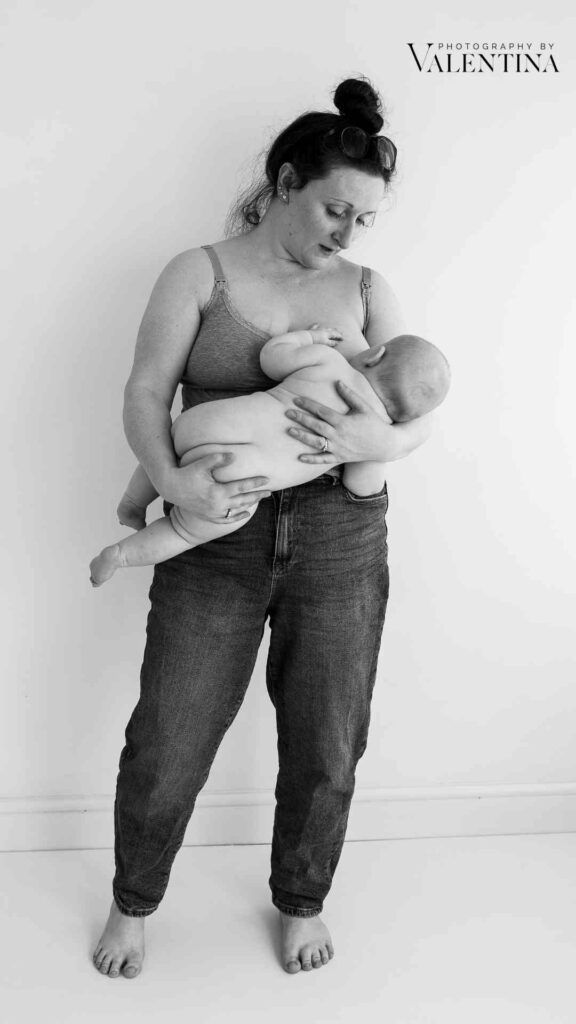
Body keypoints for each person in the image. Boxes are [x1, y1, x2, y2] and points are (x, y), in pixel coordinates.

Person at [92, 76, 439, 981]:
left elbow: (419, 405)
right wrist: (170, 484)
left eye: (364, 220)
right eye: (335, 208)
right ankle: (135, 902)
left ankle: (302, 899)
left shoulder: (368, 288)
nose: (348, 234)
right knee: (171, 735)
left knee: (328, 739)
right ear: (285, 182)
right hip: (218, 535)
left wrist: (380, 439)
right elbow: (142, 393)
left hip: (341, 538)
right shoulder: (198, 272)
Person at [89, 332, 449, 585]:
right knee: (184, 531)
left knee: (165, 449)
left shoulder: (329, 361)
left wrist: (309, 338)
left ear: (374, 355)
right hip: (238, 478)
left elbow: (272, 357)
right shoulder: (368, 434)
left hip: (210, 421)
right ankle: (120, 556)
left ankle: (132, 503)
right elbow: (359, 485)